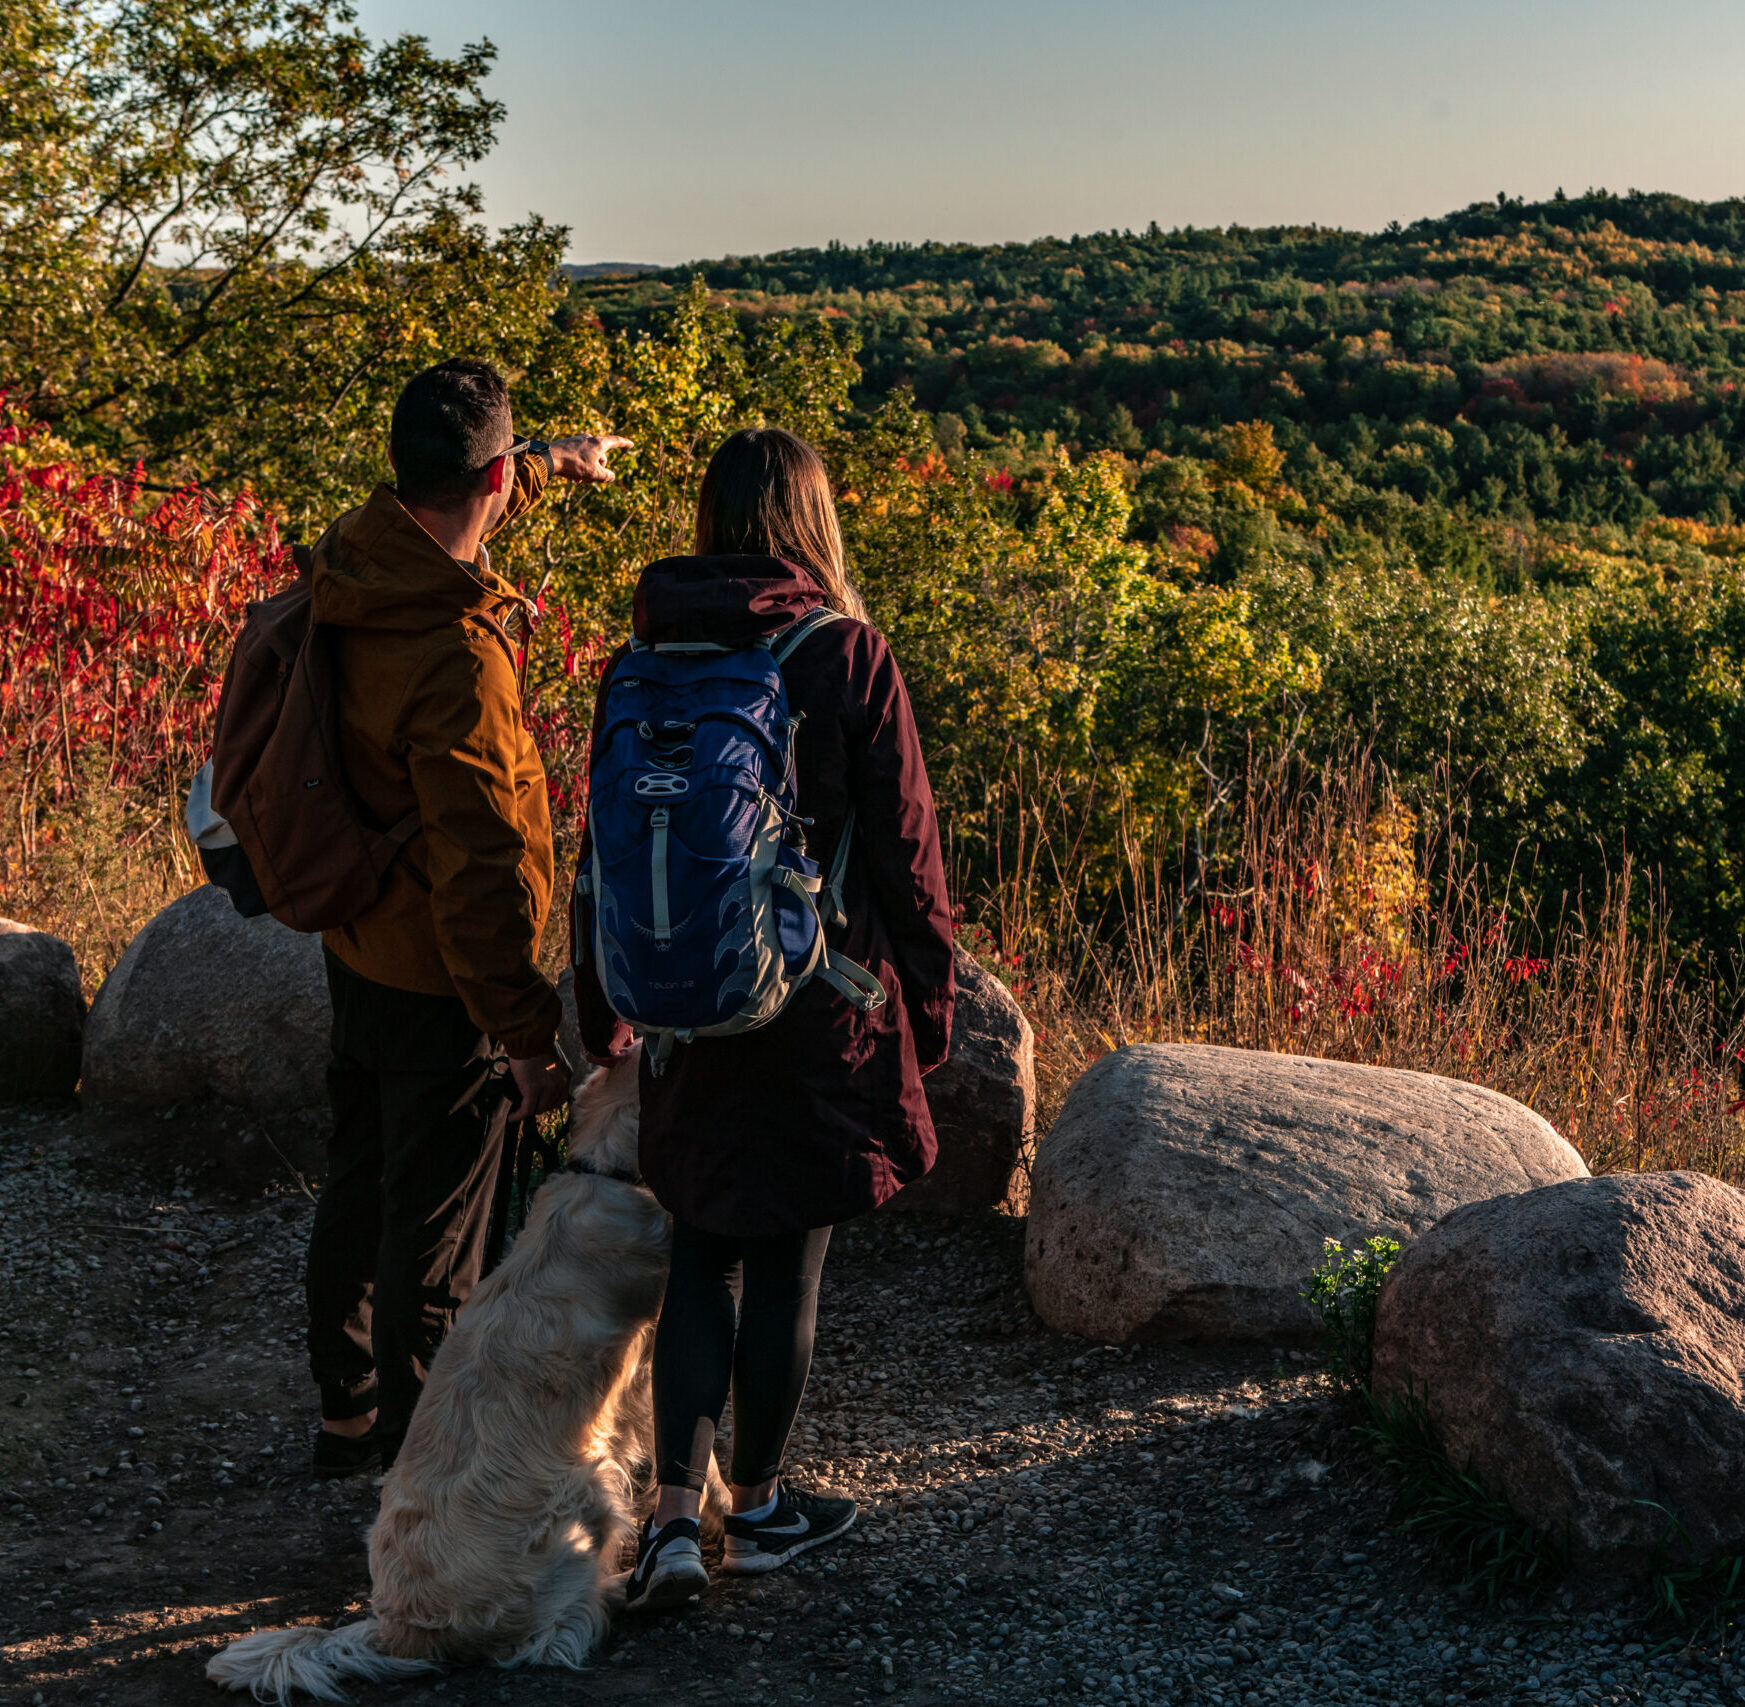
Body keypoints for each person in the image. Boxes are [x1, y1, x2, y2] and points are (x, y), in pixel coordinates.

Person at [573, 426, 956, 1608]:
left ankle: (674, 1527)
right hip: (814, 1008)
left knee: (700, 1249)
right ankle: (766, 1507)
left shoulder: (643, 656)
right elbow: (906, 853)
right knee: (785, 1266)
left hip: (684, 1011)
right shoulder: (843, 653)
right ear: (812, 521)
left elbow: (602, 847)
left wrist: (603, 1009)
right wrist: (927, 1010)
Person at [303, 357, 629, 1475]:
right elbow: (484, 870)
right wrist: (530, 1039)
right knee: (435, 1236)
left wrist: (548, 462)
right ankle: (419, 1464)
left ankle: (345, 1412)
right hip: (443, 977)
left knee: (359, 1180)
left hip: (358, 941)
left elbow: (461, 491)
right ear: (487, 476)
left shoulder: (359, 558)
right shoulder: (456, 655)